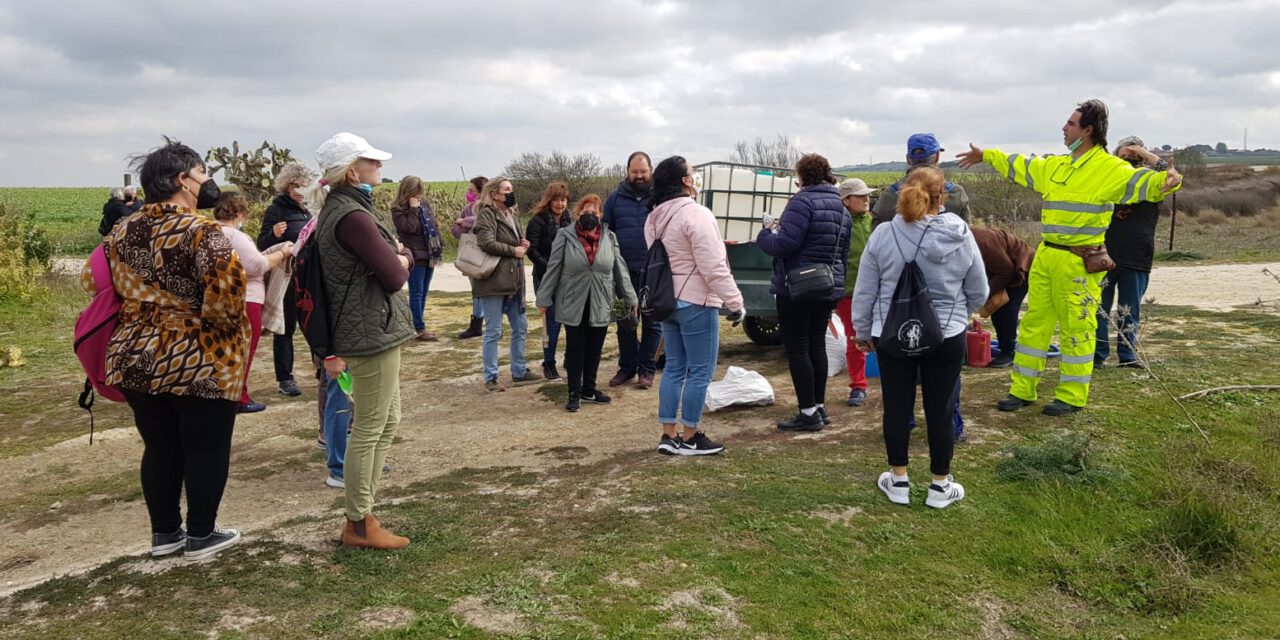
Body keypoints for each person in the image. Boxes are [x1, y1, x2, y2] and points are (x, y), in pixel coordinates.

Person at [957, 99, 1183, 415]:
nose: (1064, 128)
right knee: (1035, 326)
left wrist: (1154, 162)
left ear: (1088, 130)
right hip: (1047, 257)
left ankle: (1072, 395)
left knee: (1078, 328)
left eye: (1071, 124)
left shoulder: (1111, 170)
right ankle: (1022, 390)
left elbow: (1160, 183)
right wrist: (986, 156)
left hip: (1079, 262)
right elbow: (1020, 164)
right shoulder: (1057, 166)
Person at [84, 138, 249, 559]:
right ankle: (201, 534)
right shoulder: (205, 232)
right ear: (183, 181)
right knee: (206, 446)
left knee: (159, 447)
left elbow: (92, 283)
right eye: (203, 173)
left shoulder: (121, 230)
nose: (209, 181)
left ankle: (164, 534)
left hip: (134, 355)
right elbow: (226, 303)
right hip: (200, 358)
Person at [852, 166, 988, 509]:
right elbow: (980, 290)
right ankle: (940, 486)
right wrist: (959, 312)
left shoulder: (882, 235)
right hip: (946, 333)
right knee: (940, 408)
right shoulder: (960, 233)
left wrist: (863, 332)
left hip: (891, 333)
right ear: (942, 198)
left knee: (896, 407)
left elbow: (865, 290)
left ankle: (898, 480)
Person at [309, 132, 415, 550]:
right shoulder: (352, 216)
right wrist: (403, 258)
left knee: (387, 420)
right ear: (352, 171)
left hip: (371, 327)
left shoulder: (345, 210)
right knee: (370, 426)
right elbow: (394, 275)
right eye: (372, 162)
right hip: (368, 332)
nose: (380, 168)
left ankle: (365, 510)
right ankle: (357, 521)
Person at [644, 156, 744, 456]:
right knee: (700, 371)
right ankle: (690, 436)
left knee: (674, 367)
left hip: (667, 301)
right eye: (692, 173)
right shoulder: (697, 214)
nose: (695, 176)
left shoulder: (654, 217)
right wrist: (735, 301)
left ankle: (668, 434)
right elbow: (713, 266)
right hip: (696, 300)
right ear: (685, 181)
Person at [758, 154, 852, 432]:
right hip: (828, 285)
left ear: (802, 176)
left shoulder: (801, 202)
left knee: (798, 348)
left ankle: (807, 412)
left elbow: (785, 245)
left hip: (797, 287)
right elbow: (843, 252)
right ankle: (819, 407)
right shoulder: (841, 206)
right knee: (816, 345)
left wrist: (765, 234)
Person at [537, 194, 637, 411]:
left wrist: (630, 297)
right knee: (575, 348)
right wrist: (543, 298)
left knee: (595, 347)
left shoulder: (609, 237)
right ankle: (574, 392)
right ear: (577, 214)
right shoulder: (564, 235)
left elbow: (620, 270)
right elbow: (553, 268)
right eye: (584, 213)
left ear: (600, 214)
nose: (589, 216)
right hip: (573, 300)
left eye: (593, 212)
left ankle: (589, 389)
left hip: (601, 300)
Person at [213, 192, 291, 414]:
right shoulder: (236, 237)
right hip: (247, 298)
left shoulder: (209, 232)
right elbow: (257, 265)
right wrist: (281, 253)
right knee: (245, 350)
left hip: (221, 298)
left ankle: (228, 393)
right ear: (238, 213)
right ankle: (239, 396)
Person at [1096, 135, 1167, 368]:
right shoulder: (1107, 179)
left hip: (1137, 256)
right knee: (1099, 310)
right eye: (1125, 158)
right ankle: (1097, 355)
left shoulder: (1152, 183)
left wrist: (1146, 154)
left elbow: (1169, 174)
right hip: (1104, 255)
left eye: (1135, 159)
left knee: (1129, 311)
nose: (1130, 164)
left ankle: (1127, 357)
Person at [473, 176, 542, 391]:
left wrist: (523, 244)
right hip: (494, 280)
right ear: (494, 194)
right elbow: (486, 242)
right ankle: (490, 377)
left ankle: (519, 371)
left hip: (514, 280)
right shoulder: (486, 214)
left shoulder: (510, 214)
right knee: (494, 330)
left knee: (520, 327)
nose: (510, 194)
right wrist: (514, 250)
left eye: (511, 190)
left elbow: (513, 244)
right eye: (506, 190)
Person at [258, 162, 317, 397]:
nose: (300, 190)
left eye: (304, 185)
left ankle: (322, 367)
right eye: (296, 186)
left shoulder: (310, 209)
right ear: (288, 186)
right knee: (286, 328)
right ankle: (285, 378)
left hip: (309, 274)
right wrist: (274, 235)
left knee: (314, 324)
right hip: (287, 276)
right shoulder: (277, 210)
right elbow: (261, 245)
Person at [604, 151, 660, 389]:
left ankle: (646, 369)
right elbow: (606, 232)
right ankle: (627, 367)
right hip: (623, 272)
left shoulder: (660, 198)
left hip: (653, 270)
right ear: (627, 171)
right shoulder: (615, 199)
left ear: (651, 172)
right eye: (634, 172)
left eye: (643, 172)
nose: (639, 176)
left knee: (653, 322)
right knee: (626, 321)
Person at [834, 178, 876, 407]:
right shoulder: (839, 224)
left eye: (868, 195)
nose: (867, 199)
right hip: (849, 291)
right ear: (846, 200)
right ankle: (858, 386)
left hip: (877, 291)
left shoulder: (874, 222)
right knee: (855, 338)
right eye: (861, 196)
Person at [525, 182, 573, 380]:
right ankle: (549, 362)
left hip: (567, 277)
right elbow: (532, 250)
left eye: (563, 199)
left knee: (570, 320)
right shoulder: (538, 221)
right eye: (556, 199)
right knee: (551, 322)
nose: (560, 204)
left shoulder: (568, 219)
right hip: (545, 277)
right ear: (549, 200)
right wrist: (550, 268)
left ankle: (571, 360)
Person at [872, 133, 971, 229]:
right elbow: (967, 233)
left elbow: (875, 231)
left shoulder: (889, 195)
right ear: (937, 156)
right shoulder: (956, 193)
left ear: (908, 159)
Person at [972, 227, 1036, 368]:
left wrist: (986, 294)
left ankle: (1008, 353)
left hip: (1020, 268)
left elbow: (1006, 270)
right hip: (1000, 270)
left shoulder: (983, 242)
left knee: (1006, 309)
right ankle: (1004, 347)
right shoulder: (960, 244)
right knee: (996, 310)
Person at [392, 176, 444, 342]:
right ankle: (419, 328)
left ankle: (416, 325)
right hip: (414, 255)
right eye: (416, 192)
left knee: (423, 293)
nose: (419, 196)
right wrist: (413, 209)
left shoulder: (425, 205)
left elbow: (433, 225)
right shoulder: (398, 209)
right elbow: (408, 227)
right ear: (408, 191)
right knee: (416, 292)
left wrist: (440, 243)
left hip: (429, 254)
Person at [452, 176, 488, 340]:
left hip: (486, 254)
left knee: (488, 290)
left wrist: (465, 222)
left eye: (472, 191)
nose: (469, 193)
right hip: (470, 254)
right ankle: (476, 323)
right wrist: (461, 227)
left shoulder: (488, 207)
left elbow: (482, 221)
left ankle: (492, 323)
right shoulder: (467, 208)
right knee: (475, 290)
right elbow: (455, 230)